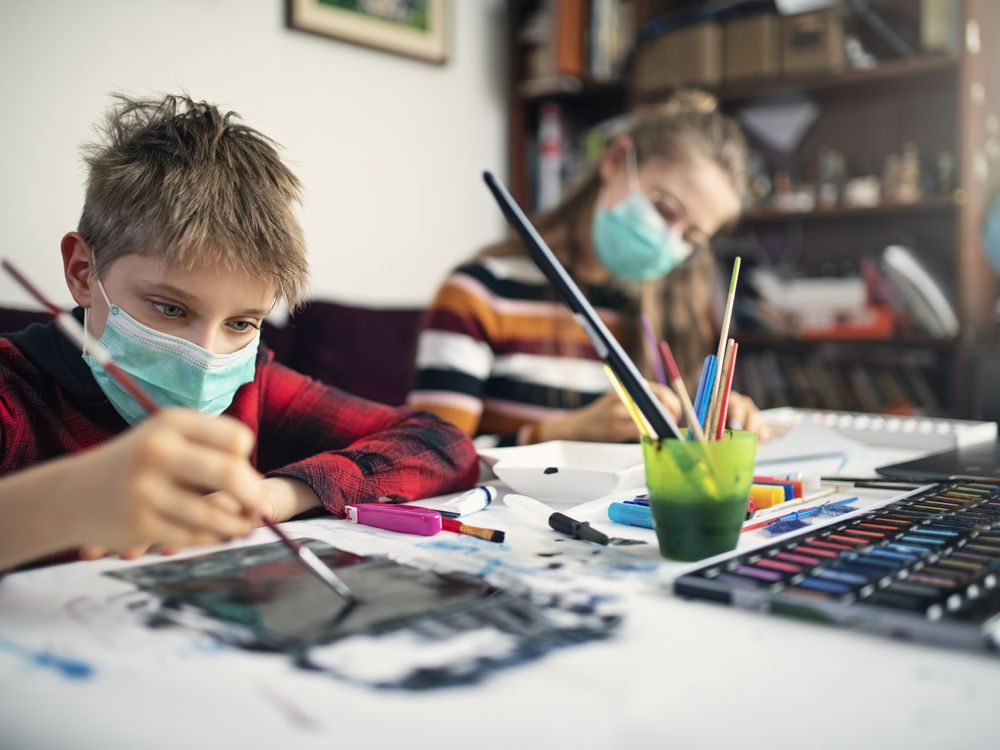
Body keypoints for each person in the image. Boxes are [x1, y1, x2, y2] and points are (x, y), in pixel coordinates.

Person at [0, 93, 478, 570]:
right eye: (170, 308)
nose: (206, 357)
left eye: (241, 323)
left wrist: (276, 496)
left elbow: (441, 442)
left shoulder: (252, 384)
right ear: (84, 272)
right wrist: (59, 504)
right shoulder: (13, 393)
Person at [408, 90, 770, 447]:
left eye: (691, 237)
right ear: (614, 161)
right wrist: (563, 433)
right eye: (665, 209)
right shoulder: (478, 294)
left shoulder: (670, 311)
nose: (668, 240)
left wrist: (715, 422)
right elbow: (429, 462)